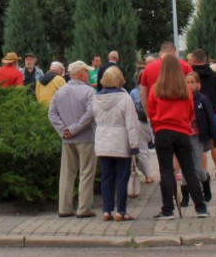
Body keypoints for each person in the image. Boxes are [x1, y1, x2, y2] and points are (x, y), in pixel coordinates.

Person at [146, 55, 210, 219]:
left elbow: (151, 112)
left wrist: (156, 126)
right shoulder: (185, 89)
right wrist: (184, 124)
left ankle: (168, 209)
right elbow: (190, 112)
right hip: (182, 131)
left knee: (166, 171)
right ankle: (200, 207)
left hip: (162, 131)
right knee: (189, 169)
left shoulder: (156, 88)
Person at [48, 61, 98, 218]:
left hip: (67, 139)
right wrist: (74, 128)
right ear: (82, 73)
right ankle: (84, 208)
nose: (89, 75)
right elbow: (90, 114)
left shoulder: (60, 91)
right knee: (86, 173)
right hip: (87, 138)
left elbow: (52, 114)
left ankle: (64, 208)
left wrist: (64, 130)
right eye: (87, 72)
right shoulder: (89, 91)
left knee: (67, 175)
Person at [93, 66, 141, 221]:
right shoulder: (125, 98)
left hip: (103, 141)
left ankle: (106, 210)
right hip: (121, 142)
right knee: (122, 178)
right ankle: (121, 211)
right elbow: (131, 124)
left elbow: (95, 119)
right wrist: (134, 145)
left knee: (106, 177)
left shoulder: (96, 98)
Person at [179, 71, 216, 206]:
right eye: (188, 82)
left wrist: (215, 138)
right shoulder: (181, 99)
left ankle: (205, 181)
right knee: (185, 165)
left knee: (197, 166)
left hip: (197, 136)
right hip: (184, 135)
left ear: (198, 84)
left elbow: (210, 119)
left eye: (193, 82)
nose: (190, 85)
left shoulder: (202, 99)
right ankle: (185, 195)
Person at [190, 49, 216, 180]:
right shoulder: (214, 75)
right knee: (214, 142)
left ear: (193, 60)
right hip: (211, 113)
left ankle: (203, 172)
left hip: (194, 114)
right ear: (204, 60)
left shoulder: (190, 75)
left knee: (200, 144)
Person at [139, 41, 193, 113]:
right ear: (174, 52)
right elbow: (192, 90)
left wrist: (148, 114)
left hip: (157, 115)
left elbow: (143, 94)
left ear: (160, 53)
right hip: (181, 114)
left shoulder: (148, 68)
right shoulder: (185, 66)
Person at [129, 56, 157, 184]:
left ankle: (148, 175)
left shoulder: (134, 92)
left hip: (141, 122)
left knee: (143, 150)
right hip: (155, 121)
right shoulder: (155, 89)